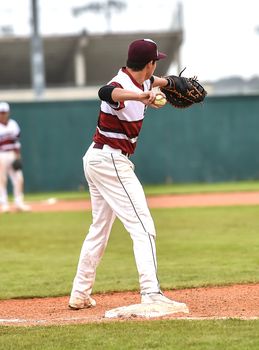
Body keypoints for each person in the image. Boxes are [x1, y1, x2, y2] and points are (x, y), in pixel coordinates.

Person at [69, 39, 188, 313]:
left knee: (99, 230)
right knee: (143, 226)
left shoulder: (146, 80)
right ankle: (151, 292)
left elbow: (158, 81)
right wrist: (140, 97)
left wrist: (171, 84)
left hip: (99, 159)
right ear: (149, 63)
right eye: (155, 61)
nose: (155, 65)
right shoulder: (121, 83)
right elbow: (105, 92)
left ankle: (79, 293)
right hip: (110, 160)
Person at [0, 101, 31, 213]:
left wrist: (18, 156)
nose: (3, 115)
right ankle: (4, 204)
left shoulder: (13, 124)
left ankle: (19, 203)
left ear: (8, 113)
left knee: (18, 179)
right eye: (1, 113)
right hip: (1, 154)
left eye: (4, 112)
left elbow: (16, 142)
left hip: (12, 154)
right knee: (1, 180)